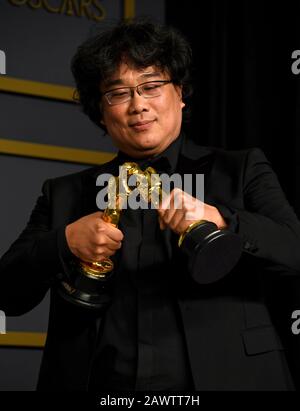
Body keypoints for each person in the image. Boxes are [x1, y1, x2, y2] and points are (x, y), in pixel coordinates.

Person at [1, 18, 300, 392]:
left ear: (180, 92)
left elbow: (294, 250)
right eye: (118, 93)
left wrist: (221, 218)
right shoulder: (63, 194)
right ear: (101, 112)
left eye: (152, 86)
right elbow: (7, 293)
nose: (138, 105)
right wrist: (64, 242)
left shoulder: (240, 169)